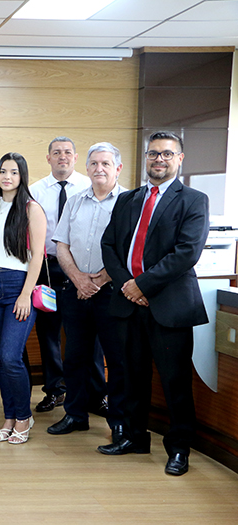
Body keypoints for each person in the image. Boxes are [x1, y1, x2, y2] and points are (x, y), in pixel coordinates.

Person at [98, 131, 209, 476]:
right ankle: (133, 437)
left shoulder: (193, 199)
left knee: (175, 382)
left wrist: (141, 284)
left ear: (180, 159)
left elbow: (186, 253)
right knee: (132, 377)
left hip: (169, 306)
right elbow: (109, 246)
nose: (158, 160)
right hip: (128, 304)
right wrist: (128, 286)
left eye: (166, 154)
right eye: (152, 154)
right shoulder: (128, 199)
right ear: (145, 159)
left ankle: (179, 449)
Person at [47, 142, 127, 439]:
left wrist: (101, 279)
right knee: (75, 357)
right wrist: (79, 279)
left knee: (116, 359)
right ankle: (75, 415)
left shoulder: (129, 202)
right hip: (75, 290)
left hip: (112, 292)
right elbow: (62, 243)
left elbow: (129, 250)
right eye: (94, 163)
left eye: (106, 163)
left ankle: (118, 421)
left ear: (117, 168)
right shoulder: (76, 200)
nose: (99, 169)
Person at [30, 137, 107, 414]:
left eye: (67, 153)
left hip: (86, 270)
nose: (61, 157)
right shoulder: (35, 190)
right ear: (48, 158)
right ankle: (55, 391)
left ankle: (97, 394)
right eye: (56, 153)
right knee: (49, 333)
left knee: (89, 335)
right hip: (48, 268)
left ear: (75, 158)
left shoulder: (90, 187)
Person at [0, 152, 46, 445]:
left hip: (19, 285)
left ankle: (23, 416)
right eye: (3, 171)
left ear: (22, 176)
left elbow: (38, 255)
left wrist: (26, 294)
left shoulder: (31, 209)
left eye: (14, 172)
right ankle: (9, 417)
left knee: (10, 357)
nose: (7, 177)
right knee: (1, 358)